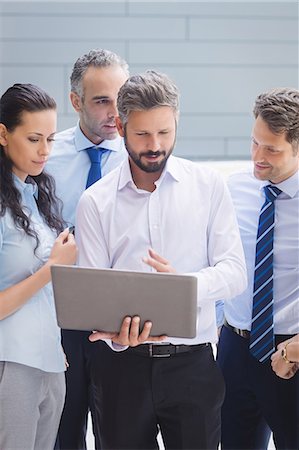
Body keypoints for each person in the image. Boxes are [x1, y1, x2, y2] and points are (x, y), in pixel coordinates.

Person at [75, 70, 247, 450]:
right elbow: (93, 292)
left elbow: (235, 273)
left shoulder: (209, 186)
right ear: (119, 127)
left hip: (193, 366)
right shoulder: (95, 202)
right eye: (142, 135)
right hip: (119, 371)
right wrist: (117, 337)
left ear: (176, 123)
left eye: (164, 133)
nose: (155, 145)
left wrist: (182, 287)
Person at [46, 48, 129, 449]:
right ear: (76, 101)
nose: (116, 111)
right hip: (59, 318)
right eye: (101, 101)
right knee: (64, 431)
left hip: (120, 321)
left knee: (119, 431)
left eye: (121, 97)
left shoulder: (142, 158)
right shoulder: (45, 158)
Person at [217, 88, 299, 450]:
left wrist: (295, 351)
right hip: (234, 347)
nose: (257, 157)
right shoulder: (233, 189)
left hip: (291, 351)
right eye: (254, 143)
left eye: (272, 149)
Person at [0, 83, 77, 449]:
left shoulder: (34, 196)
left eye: (50, 138)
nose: (45, 150)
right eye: (34, 139)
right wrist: (52, 268)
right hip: (10, 362)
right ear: (3, 133)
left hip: (49, 359)